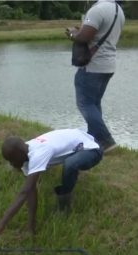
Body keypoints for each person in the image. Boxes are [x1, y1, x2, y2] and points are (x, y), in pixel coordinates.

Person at [0, 129, 103, 240]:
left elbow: (24, 191)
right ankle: (31, 228)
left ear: (19, 154)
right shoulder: (24, 152)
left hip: (92, 149)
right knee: (68, 163)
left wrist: (1, 224)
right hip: (78, 141)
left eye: (12, 160)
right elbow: (30, 191)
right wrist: (30, 227)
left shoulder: (39, 153)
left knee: (70, 164)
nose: (11, 164)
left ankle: (64, 205)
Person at [65, 0, 125, 153]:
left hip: (93, 66)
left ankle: (106, 141)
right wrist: (82, 30)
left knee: (85, 104)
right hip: (108, 65)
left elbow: (83, 38)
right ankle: (94, 139)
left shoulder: (98, 9)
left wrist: (72, 33)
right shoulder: (118, 10)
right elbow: (97, 33)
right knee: (94, 104)